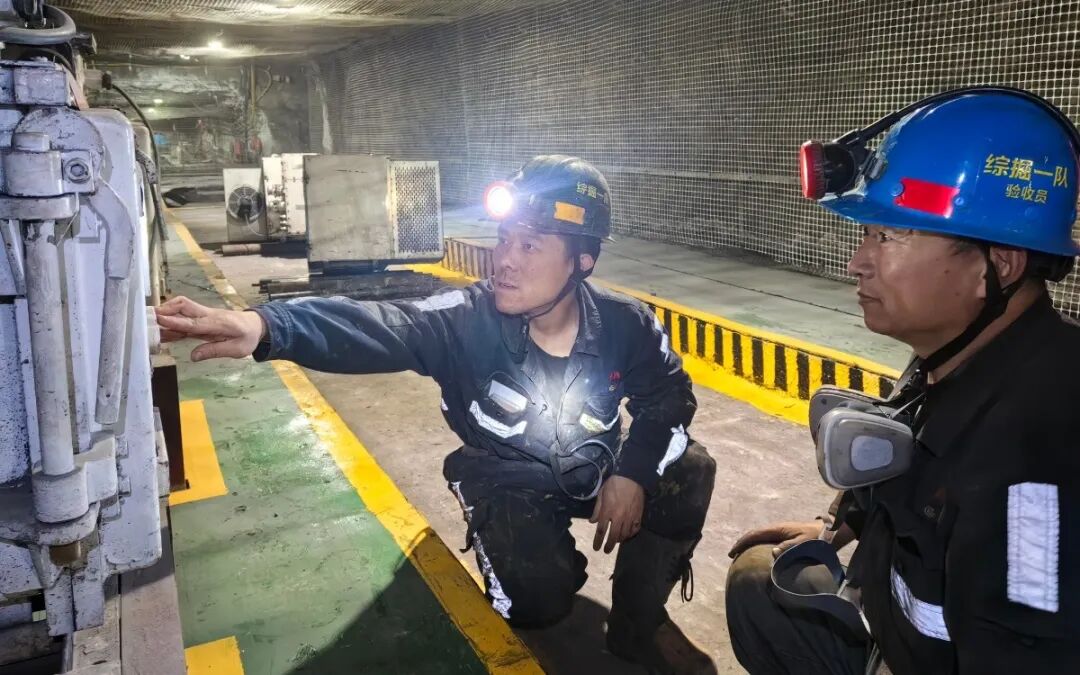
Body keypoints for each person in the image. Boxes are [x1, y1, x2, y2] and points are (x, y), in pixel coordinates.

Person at [158, 155, 718, 674]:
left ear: (582, 261)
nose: (506, 260)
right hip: (506, 475)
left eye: (530, 245)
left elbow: (668, 397)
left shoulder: (626, 325)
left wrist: (633, 474)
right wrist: (266, 327)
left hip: (593, 463)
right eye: (504, 240)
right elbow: (379, 324)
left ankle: (637, 625)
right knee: (538, 602)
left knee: (690, 469)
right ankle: (519, 554)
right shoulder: (465, 321)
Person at [725, 87, 1080, 675]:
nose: (857, 262)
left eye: (890, 236)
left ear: (998, 265)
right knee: (760, 580)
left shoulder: (1041, 456)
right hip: (889, 629)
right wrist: (841, 527)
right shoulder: (958, 353)